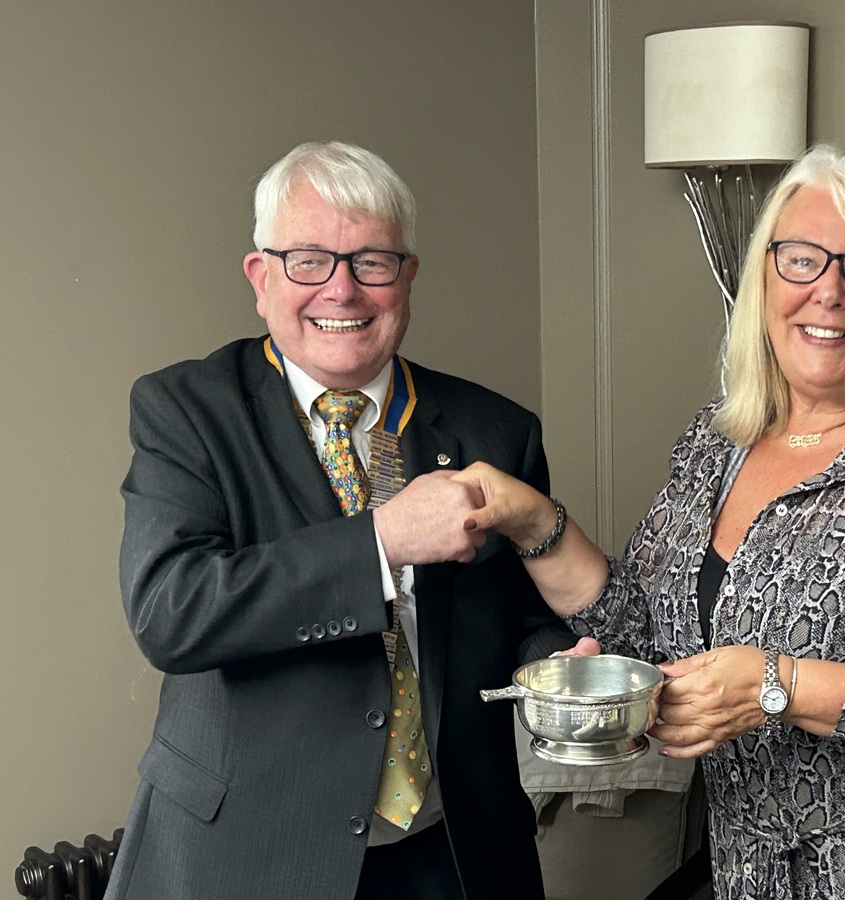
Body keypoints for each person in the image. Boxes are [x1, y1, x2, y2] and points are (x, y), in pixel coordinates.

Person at [454, 144, 845, 898]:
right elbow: (640, 622)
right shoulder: (716, 443)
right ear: (764, 280)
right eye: (802, 259)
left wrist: (779, 684)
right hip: (756, 869)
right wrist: (534, 520)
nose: (828, 292)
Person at [109, 141, 581, 900]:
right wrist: (382, 543)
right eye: (309, 261)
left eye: (371, 262)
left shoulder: (497, 429)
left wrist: (559, 661)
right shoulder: (186, 411)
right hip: (246, 858)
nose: (342, 289)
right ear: (261, 278)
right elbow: (172, 610)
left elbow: (519, 618)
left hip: (451, 852)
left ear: (407, 277)